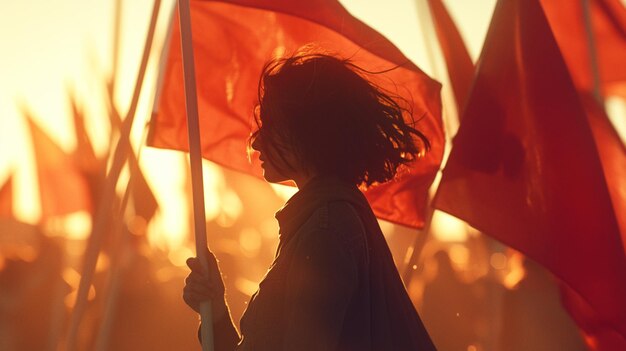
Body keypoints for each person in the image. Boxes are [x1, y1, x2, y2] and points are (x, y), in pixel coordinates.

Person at [183, 48, 437, 351]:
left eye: (272, 124)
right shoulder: (322, 222)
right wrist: (215, 311)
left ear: (309, 131)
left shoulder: (325, 231)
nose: (257, 140)